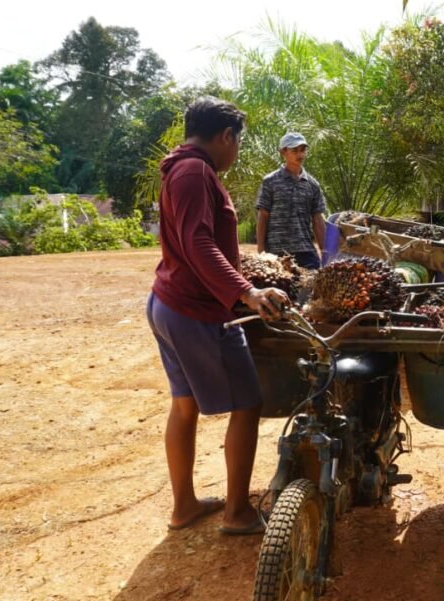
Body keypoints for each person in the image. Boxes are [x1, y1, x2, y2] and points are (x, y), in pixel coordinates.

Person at [147, 96, 290, 536]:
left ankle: (184, 506)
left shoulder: (181, 168)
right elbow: (198, 244)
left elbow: (199, 246)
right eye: (238, 142)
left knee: (184, 406)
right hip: (197, 311)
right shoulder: (194, 172)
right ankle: (237, 513)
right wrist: (245, 292)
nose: (237, 151)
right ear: (226, 136)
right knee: (248, 403)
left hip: (170, 304)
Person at [256, 132, 328, 269]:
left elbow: (318, 219)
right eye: (294, 150)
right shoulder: (270, 181)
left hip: (305, 250)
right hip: (276, 252)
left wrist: (325, 252)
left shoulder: (312, 185)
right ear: (283, 152)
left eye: (302, 150)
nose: (300, 155)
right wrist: (261, 249)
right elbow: (263, 216)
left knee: (311, 287)